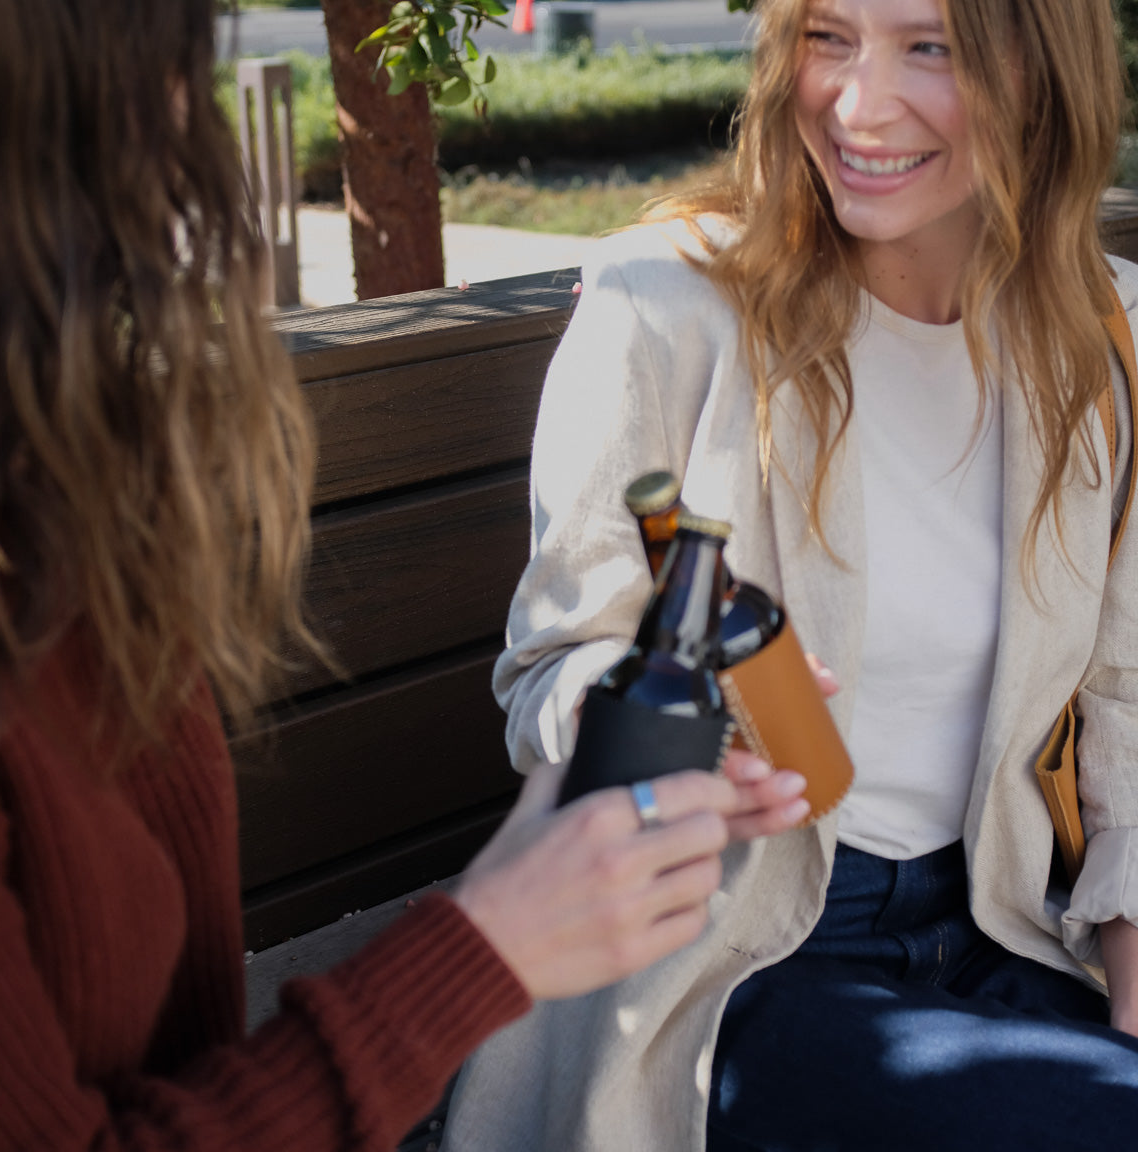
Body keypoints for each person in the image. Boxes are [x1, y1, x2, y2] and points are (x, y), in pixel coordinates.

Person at [0, 1, 811, 1149]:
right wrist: (485, 942)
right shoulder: (658, 296)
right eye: (183, 75)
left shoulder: (55, 503)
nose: (198, 139)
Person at [442, 1, 1138, 1150]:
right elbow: (553, 672)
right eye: (828, 36)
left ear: (1042, 65)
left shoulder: (1102, 336)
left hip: (1008, 925)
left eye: (933, 47)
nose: (859, 105)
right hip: (736, 959)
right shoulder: (663, 304)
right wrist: (673, 726)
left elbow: (1122, 699)